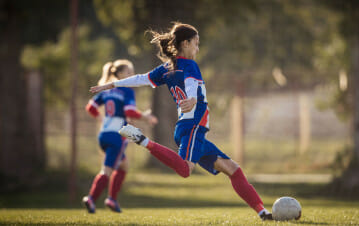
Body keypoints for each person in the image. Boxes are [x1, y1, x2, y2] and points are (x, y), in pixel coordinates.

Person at [90, 23, 274, 221]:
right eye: (196, 43)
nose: (197, 48)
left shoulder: (167, 68)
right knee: (185, 170)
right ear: (185, 43)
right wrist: (193, 99)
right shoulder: (189, 64)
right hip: (193, 126)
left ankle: (263, 213)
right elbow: (191, 84)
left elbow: (142, 79)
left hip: (192, 129)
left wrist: (113, 83)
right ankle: (143, 140)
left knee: (233, 169)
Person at [83, 59, 158, 213]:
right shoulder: (126, 90)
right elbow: (129, 112)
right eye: (129, 72)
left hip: (104, 134)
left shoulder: (106, 90)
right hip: (117, 136)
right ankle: (91, 198)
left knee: (124, 166)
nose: (132, 75)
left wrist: (101, 118)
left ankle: (112, 199)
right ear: (121, 74)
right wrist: (146, 117)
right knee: (107, 170)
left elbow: (90, 107)